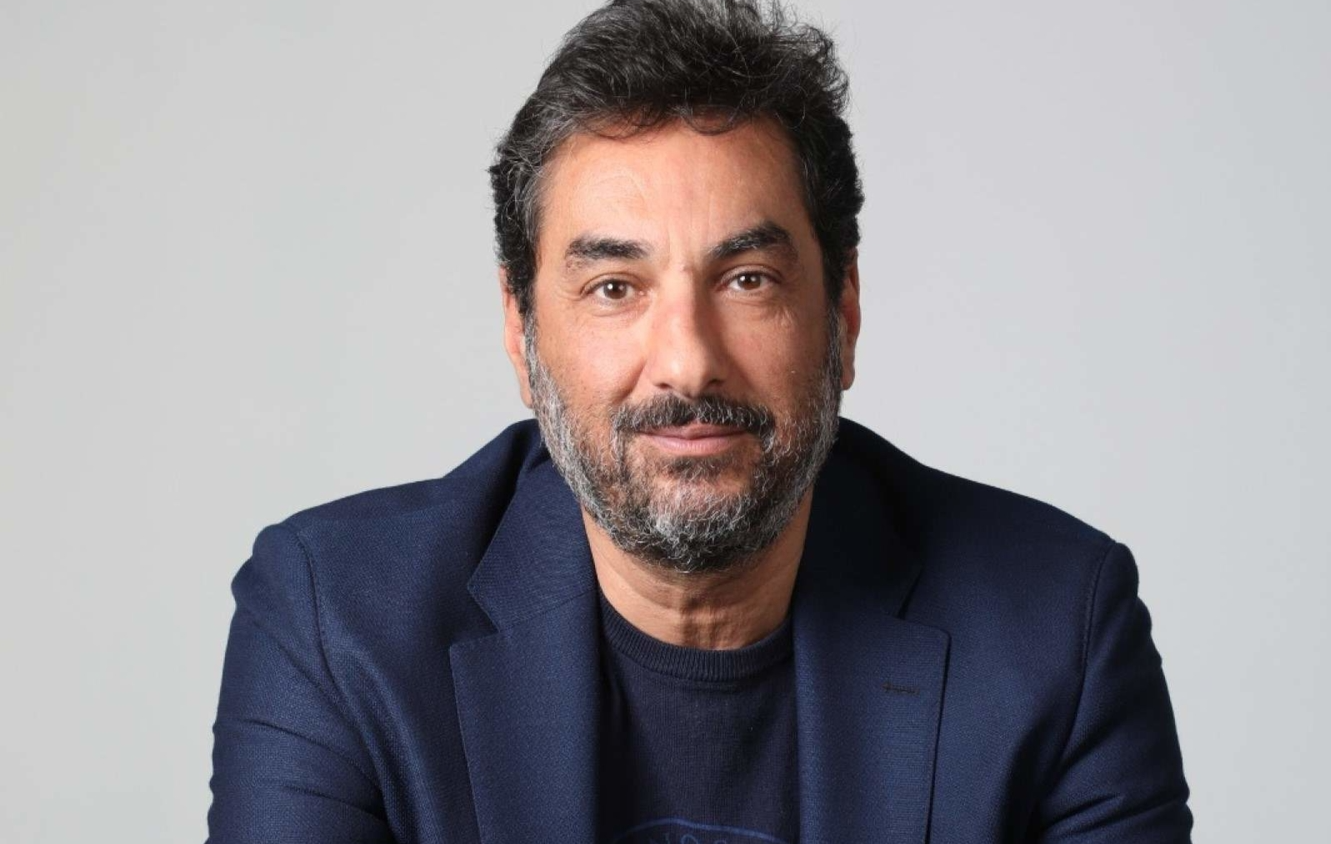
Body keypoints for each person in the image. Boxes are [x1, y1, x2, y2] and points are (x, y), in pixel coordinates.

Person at [204, 1, 1193, 841]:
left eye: (747, 278)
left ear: (842, 313)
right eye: (614, 287)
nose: (686, 359)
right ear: (520, 331)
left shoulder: (1054, 632)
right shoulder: (337, 626)